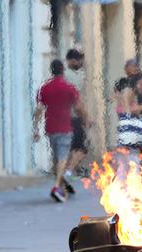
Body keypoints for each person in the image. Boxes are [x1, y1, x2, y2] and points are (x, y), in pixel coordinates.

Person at [33, 59, 88, 202]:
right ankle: (57, 187)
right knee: (63, 157)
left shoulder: (44, 88)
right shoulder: (69, 88)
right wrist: (86, 119)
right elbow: (78, 107)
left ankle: (62, 183)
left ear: (52, 71)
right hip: (65, 127)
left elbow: (38, 109)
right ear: (62, 71)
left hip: (50, 128)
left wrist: (35, 129)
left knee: (58, 156)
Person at [63, 49, 88, 189]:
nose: (80, 62)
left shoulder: (66, 75)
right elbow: (77, 100)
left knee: (72, 147)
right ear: (72, 60)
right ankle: (68, 172)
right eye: (78, 60)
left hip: (66, 116)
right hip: (74, 116)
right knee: (81, 148)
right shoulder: (73, 76)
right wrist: (85, 117)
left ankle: (68, 172)